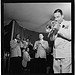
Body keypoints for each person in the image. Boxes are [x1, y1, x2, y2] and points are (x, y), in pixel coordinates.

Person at [52, 9, 71, 73]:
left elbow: (70, 36)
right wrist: (52, 31)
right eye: (55, 17)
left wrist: (58, 29)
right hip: (56, 54)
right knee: (56, 72)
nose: (56, 19)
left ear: (62, 16)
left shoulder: (69, 23)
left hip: (65, 54)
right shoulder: (55, 26)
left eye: (58, 17)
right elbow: (52, 39)